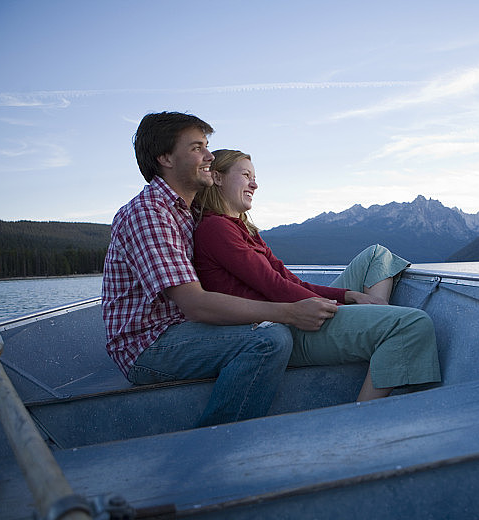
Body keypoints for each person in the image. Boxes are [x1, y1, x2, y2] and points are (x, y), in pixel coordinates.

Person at [101, 112, 338, 427]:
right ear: (165, 158)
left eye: (207, 146)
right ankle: (217, 441)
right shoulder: (148, 213)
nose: (210, 157)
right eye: (197, 148)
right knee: (269, 339)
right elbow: (195, 305)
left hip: (181, 330)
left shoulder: (187, 212)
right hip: (148, 347)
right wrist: (290, 312)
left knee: (268, 328)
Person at [193, 149, 441, 401]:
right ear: (218, 178)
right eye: (246, 176)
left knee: (378, 255)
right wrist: (340, 308)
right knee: (412, 324)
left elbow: (291, 281)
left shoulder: (246, 231)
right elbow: (274, 287)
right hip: (283, 327)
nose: (255, 185)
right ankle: (362, 412)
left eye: (254, 178)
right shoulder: (216, 228)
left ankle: (379, 333)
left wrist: (349, 295)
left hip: (293, 312)